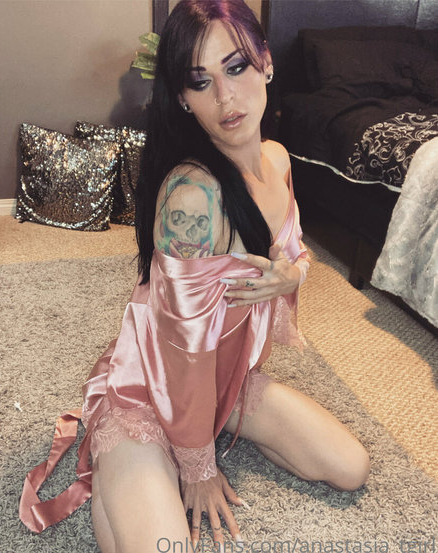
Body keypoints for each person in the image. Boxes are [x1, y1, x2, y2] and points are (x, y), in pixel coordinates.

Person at [19, 1, 370, 551]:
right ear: (184, 98)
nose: (226, 97)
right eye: (201, 81)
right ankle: (117, 461)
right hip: (149, 388)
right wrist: (198, 466)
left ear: (266, 64)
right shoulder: (192, 197)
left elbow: (296, 253)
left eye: (236, 67)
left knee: (351, 467)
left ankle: (172, 457)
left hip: (224, 382)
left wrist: (293, 277)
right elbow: (181, 354)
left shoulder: (278, 159)